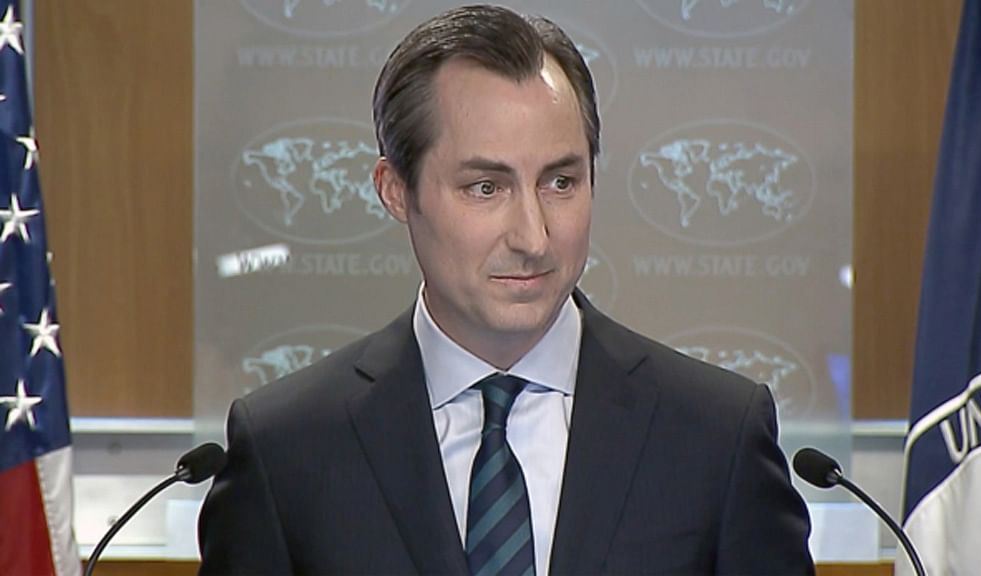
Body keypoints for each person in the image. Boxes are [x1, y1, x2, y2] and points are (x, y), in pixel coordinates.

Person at [197, 5, 814, 575]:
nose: (533, 237)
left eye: (560, 182)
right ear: (395, 191)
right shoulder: (287, 450)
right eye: (486, 188)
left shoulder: (716, 437)